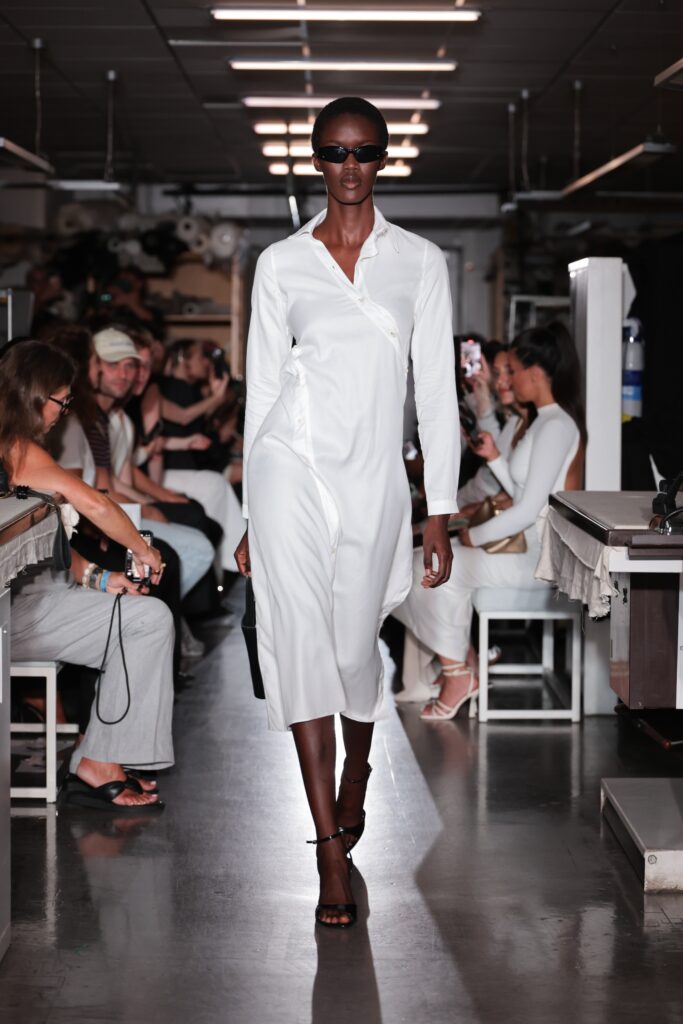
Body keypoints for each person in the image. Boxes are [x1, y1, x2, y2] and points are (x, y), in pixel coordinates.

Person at [235, 96, 460, 928]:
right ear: (316, 161)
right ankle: (328, 848)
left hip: (372, 477)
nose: (349, 167)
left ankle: (356, 772)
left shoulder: (420, 261)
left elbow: (436, 392)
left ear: (383, 159)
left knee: (354, 650)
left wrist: (437, 509)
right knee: (300, 644)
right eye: (334, 153)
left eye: (363, 152)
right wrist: (251, 513)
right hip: (287, 466)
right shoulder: (281, 263)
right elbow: (263, 388)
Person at [0, 340, 173, 809]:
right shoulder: (16, 450)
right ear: (36, 395)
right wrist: (144, 550)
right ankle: (100, 758)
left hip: (34, 599)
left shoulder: (19, 449)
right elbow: (94, 503)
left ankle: (101, 752)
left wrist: (100, 578)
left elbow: (42, 543)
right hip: (13, 614)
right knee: (147, 622)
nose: (64, 412)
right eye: (62, 400)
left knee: (147, 618)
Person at [393, 322, 585, 722]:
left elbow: (529, 509)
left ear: (536, 372)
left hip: (536, 558)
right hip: (521, 547)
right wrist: (496, 458)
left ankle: (459, 672)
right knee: (417, 565)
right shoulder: (544, 421)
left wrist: (473, 536)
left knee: (425, 568)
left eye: (513, 370)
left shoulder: (556, 425)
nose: (507, 380)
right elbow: (521, 492)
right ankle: (461, 666)